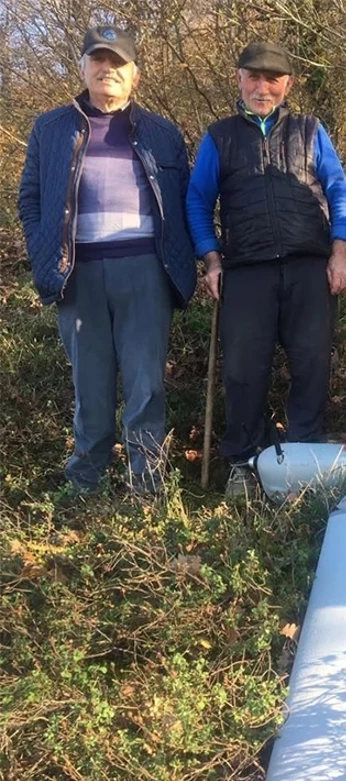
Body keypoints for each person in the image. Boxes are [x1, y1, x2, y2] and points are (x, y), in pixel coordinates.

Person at [18, 26, 196, 493]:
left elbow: (183, 199)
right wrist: (43, 252)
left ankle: (148, 483)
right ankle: (86, 482)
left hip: (145, 270)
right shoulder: (51, 128)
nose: (107, 70)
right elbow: (30, 199)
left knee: (145, 384)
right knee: (90, 385)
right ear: (82, 69)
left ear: (134, 75)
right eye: (98, 61)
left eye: (117, 63)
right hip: (76, 271)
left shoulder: (161, 132)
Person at [186, 41, 346, 499]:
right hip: (245, 270)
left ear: (288, 84)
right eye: (254, 77)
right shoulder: (218, 136)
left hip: (310, 266)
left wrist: (341, 251)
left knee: (312, 364)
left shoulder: (310, 129)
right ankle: (243, 462)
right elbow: (198, 202)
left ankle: (304, 461)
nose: (263, 87)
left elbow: (339, 191)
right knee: (243, 370)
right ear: (239, 79)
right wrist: (212, 258)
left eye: (272, 79)